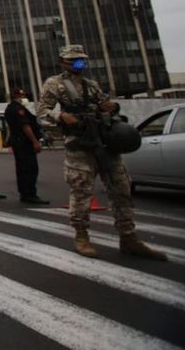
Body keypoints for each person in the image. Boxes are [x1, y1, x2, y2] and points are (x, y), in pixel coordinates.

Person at [37, 45, 166, 260]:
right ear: (64, 62)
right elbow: (42, 111)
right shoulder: (55, 84)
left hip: (105, 143)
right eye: (75, 60)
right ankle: (81, 236)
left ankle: (129, 237)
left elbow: (106, 104)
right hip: (79, 144)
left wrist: (111, 107)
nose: (80, 64)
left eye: (82, 60)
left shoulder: (91, 85)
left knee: (121, 190)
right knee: (81, 192)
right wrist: (61, 117)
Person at [4, 88, 49, 204]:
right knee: (30, 168)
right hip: (24, 142)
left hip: (18, 142)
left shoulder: (10, 108)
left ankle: (24, 193)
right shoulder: (18, 109)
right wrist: (35, 141)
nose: (23, 98)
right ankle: (30, 194)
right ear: (16, 96)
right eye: (21, 95)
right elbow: (26, 126)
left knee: (22, 168)